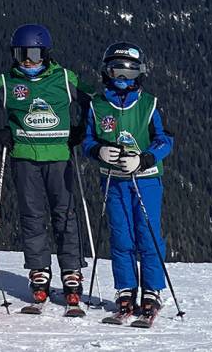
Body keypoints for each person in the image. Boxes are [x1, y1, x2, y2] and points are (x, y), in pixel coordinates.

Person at [0, 23, 92, 310]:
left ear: (45, 53)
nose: (28, 61)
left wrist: (84, 130)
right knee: (31, 215)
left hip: (59, 156)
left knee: (65, 215)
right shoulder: (7, 82)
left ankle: (71, 271)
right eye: (22, 54)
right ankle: (39, 270)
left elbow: (95, 103)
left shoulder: (64, 78)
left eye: (33, 53)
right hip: (25, 157)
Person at [82, 42, 173, 322]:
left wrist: (144, 159)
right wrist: (98, 151)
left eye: (130, 73)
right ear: (106, 72)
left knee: (147, 235)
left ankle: (151, 292)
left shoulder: (149, 103)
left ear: (140, 74)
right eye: (117, 71)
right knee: (121, 237)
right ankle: (126, 291)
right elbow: (88, 140)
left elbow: (165, 140)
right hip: (114, 181)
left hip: (145, 180)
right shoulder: (97, 105)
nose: (123, 79)